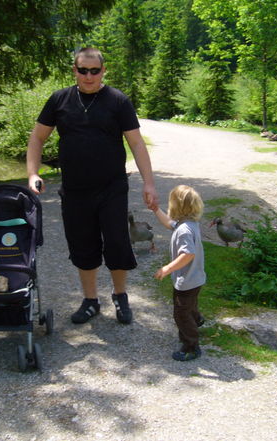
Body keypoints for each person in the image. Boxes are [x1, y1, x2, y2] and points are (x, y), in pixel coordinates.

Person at [26, 47, 158, 325]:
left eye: (94, 70)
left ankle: (120, 297)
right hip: (75, 191)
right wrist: (31, 173)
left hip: (112, 188)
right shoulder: (59, 99)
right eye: (82, 70)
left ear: (103, 71)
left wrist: (149, 183)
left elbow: (136, 143)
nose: (88, 76)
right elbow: (37, 138)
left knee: (117, 243)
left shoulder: (117, 101)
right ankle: (90, 301)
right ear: (74, 70)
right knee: (82, 246)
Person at [153, 185, 206, 361]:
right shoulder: (189, 224)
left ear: (177, 207)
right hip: (196, 278)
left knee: (181, 313)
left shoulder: (183, 230)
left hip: (187, 280)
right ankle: (196, 319)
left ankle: (191, 346)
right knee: (189, 305)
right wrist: (155, 209)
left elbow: (188, 254)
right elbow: (169, 223)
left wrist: (168, 268)